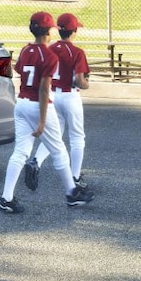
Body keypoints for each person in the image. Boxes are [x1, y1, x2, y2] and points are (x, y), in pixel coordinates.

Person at [0, 11, 57, 214]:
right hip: (36, 104)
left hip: (21, 103)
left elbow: (19, 70)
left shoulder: (25, 50)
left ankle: (6, 198)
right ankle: (73, 190)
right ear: (47, 32)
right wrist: (41, 120)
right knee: (57, 145)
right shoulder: (47, 54)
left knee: (20, 151)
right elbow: (44, 89)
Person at [47, 12, 93, 206]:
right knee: (77, 137)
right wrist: (87, 84)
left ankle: (36, 162)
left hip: (52, 94)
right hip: (70, 96)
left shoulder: (50, 48)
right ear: (73, 31)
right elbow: (79, 81)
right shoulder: (77, 52)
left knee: (55, 134)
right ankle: (74, 176)